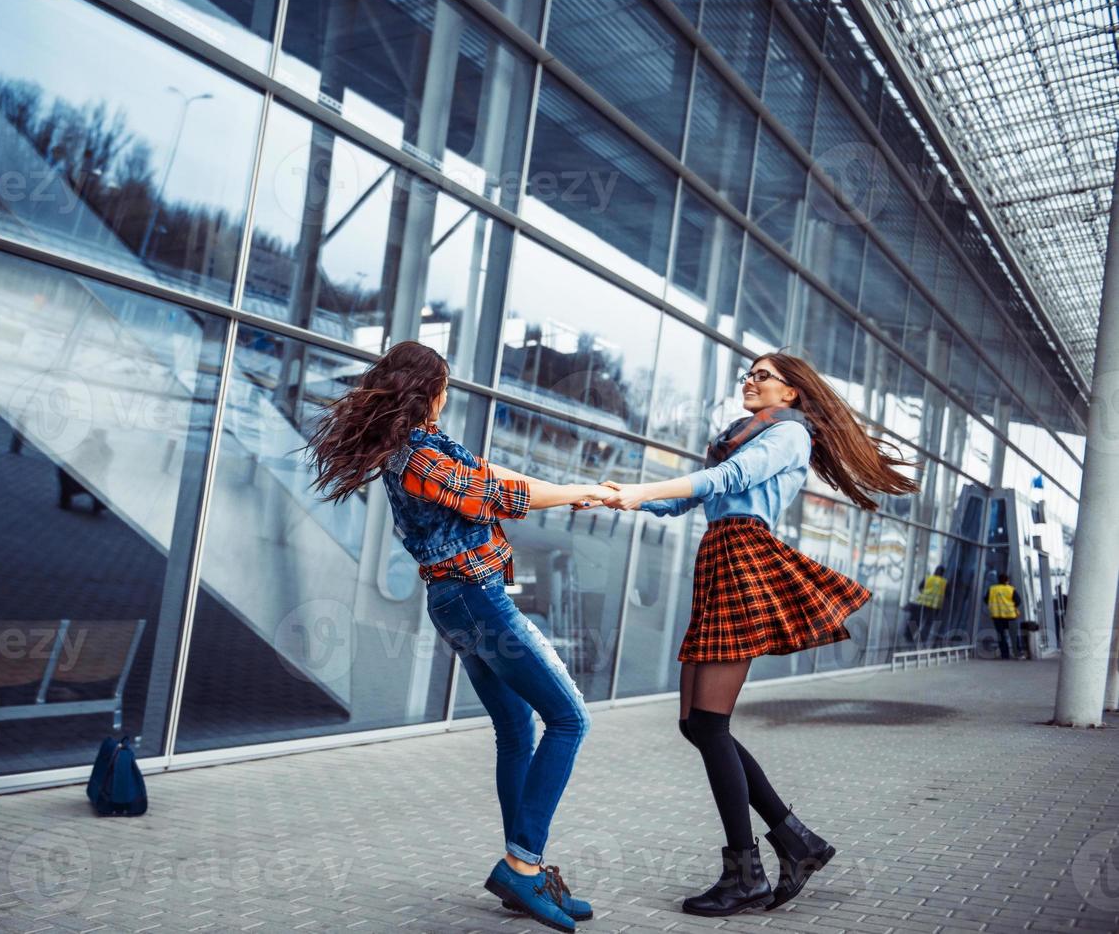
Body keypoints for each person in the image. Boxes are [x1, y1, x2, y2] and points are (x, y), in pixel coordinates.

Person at [306, 341, 616, 933]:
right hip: (475, 602)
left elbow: (493, 475)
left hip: (462, 603)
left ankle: (525, 870)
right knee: (571, 719)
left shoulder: (431, 448)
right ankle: (521, 867)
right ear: (428, 390)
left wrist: (583, 488)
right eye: (445, 384)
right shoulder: (415, 459)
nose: (448, 394)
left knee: (516, 728)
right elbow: (491, 497)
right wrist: (580, 494)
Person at [601, 352, 919, 916]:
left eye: (762, 375)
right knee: (695, 725)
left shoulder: (789, 434)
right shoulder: (740, 435)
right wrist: (615, 494)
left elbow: (730, 480)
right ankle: (797, 842)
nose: (750, 380)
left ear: (791, 392)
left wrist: (642, 491)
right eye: (747, 372)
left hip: (746, 557)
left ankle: (745, 872)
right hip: (720, 557)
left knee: (709, 724)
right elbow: (692, 498)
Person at [987, 573, 1024, 660]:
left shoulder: (992, 589)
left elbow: (986, 600)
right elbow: (1018, 601)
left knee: (1001, 636)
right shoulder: (1011, 589)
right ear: (1007, 580)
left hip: (997, 616)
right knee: (1014, 636)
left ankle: (1005, 655)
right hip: (1010, 616)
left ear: (998, 580)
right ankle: (1018, 654)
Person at [909, 565, 948, 647]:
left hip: (923, 603)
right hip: (935, 606)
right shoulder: (944, 582)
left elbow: (920, 588)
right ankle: (922, 638)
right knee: (928, 623)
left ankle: (911, 636)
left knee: (919, 620)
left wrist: (926, 594)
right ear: (943, 573)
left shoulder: (928, 578)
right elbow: (947, 594)